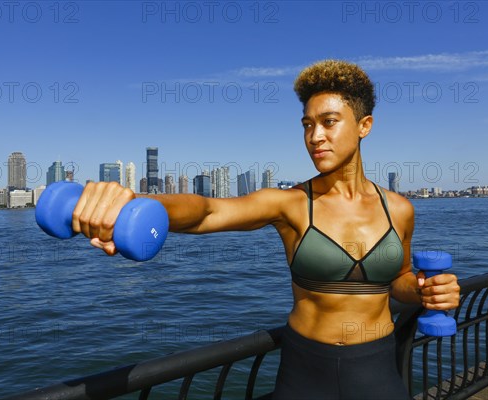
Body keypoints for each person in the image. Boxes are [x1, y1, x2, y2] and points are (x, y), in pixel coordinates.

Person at [71, 60, 461, 399]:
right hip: (307, 369)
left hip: (377, 365)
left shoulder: (400, 209)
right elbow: (207, 211)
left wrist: (427, 290)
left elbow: (398, 281)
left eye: (328, 122)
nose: (315, 136)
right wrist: (135, 203)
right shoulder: (289, 203)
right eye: (307, 125)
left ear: (364, 126)